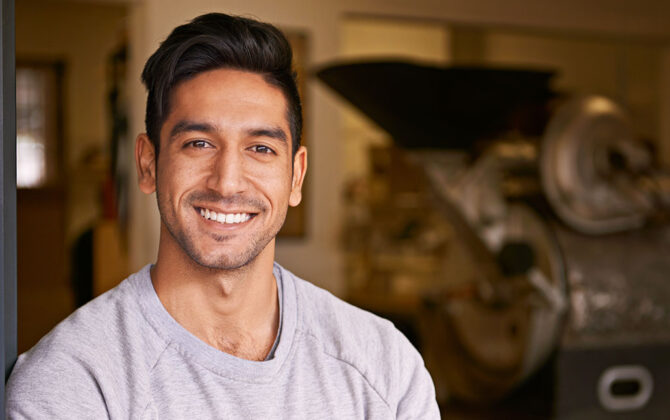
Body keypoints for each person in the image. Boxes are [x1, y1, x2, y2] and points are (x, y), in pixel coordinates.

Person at [6, 13, 439, 419]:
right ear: (148, 163)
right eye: (198, 143)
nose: (228, 183)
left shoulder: (384, 367)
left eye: (261, 148)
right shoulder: (73, 382)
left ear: (296, 176)